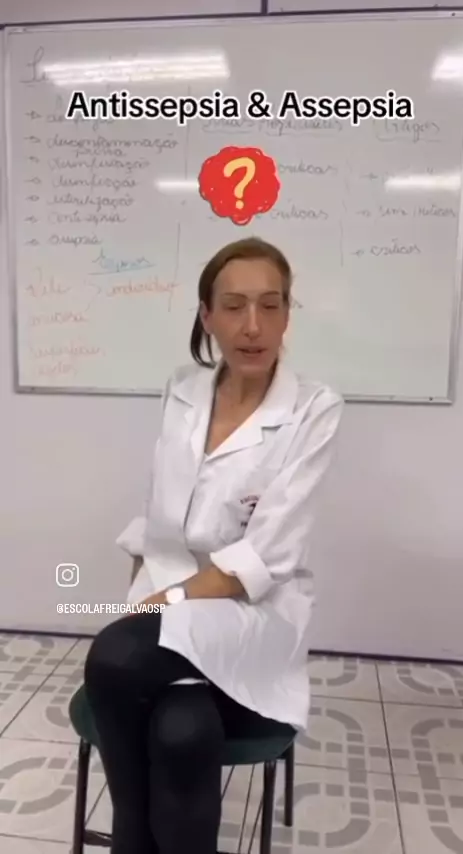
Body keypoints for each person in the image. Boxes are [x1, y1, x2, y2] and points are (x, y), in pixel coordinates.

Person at [84, 236, 343, 854]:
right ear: (206, 315)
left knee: (115, 657)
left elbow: (261, 560)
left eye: (271, 305)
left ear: (287, 314)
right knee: (182, 733)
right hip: (170, 602)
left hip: (251, 612)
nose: (253, 326)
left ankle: (129, 841)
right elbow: (157, 517)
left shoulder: (314, 409)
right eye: (233, 306)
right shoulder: (182, 390)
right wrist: (146, 596)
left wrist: (151, 613)